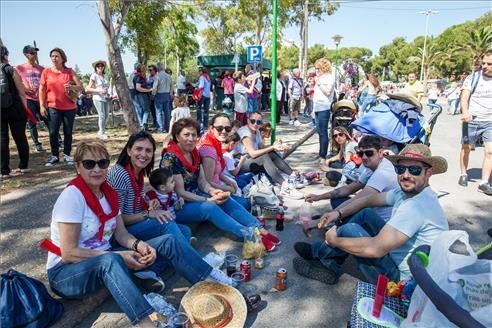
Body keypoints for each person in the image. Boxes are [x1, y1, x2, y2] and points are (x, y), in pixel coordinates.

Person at [44, 140, 233, 327]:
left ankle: (210, 284)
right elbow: (69, 253)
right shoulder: (72, 196)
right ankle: (148, 322)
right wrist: (118, 255)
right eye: (88, 164)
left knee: (168, 240)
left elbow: (121, 234)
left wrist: (138, 245)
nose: (96, 169)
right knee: (110, 261)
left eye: (102, 163)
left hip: (106, 257)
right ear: (78, 167)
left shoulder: (107, 193)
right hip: (66, 273)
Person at [293, 144, 449, 284]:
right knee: (365, 214)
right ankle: (321, 255)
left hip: (405, 282)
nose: (406, 175)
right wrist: (337, 213)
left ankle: (326, 263)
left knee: (350, 230)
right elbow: (367, 200)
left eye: (414, 170)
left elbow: (376, 249)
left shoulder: (417, 206)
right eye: (401, 169)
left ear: (428, 173)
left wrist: (334, 241)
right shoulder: (408, 193)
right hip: (401, 257)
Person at [160, 118, 280, 250]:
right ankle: (249, 235)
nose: (191, 139)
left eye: (194, 135)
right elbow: (180, 192)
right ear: (177, 136)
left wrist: (213, 191)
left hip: (195, 195)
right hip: (176, 205)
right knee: (210, 207)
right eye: (186, 135)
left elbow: (202, 182)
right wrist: (208, 199)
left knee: (224, 197)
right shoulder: (170, 158)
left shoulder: (194, 153)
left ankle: (258, 228)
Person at [305, 135, 399, 222]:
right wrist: (318, 197)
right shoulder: (371, 166)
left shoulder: (383, 173)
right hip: (371, 212)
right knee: (337, 199)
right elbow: (348, 189)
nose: (365, 157)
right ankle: (332, 222)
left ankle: (332, 224)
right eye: (361, 154)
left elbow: (359, 200)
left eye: (369, 153)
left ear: (380, 153)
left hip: (382, 224)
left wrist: (328, 217)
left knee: (349, 211)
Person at [39, 47, 83, 167]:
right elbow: (42, 89)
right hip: (53, 106)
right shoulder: (46, 72)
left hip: (69, 107)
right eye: (52, 56)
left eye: (56, 56)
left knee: (67, 132)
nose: (54, 58)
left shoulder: (69, 71)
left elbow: (80, 86)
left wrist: (72, 87)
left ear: (62, 58)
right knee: (53, 132)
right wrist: (42, 105)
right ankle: (54, 156)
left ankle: (67, 155)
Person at [198, 113, 251, 209]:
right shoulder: (209, 150)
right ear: (211, 128)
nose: (223, 131)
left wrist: (230, 183)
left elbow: (218, 172)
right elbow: (207, 183)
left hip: (219, 185)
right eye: (219, 128)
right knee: (246, 204)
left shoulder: (214, 142)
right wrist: (229, 188)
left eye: (227, 129)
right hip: (212, 194)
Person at [458, 52, 492, 195]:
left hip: (489, 121)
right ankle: (463, 173)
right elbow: (464, 96)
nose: (485, 66)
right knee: (466, 148)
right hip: (471, 120)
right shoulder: (473, 78)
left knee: (490, 151)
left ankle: (484, 182)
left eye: (489, 64)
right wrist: (465, 112)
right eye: (483, 63)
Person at [1, 45, 30, 178]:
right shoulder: (10, 69)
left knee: (2, 138)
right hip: (15, 108)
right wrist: (26, 109)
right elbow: (21, 92)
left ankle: (4, 170)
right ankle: (23, 166)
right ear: (5, 55)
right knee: (20, 137)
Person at [15, 45, 46, 152]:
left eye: (36, 52)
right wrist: (24, 89)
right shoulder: (19, 68)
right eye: (32, 53)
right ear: (26, 54)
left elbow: (46, 83)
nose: (35, 54)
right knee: (32, 122)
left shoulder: (42, 68)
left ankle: (57, 140)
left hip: (41, 98)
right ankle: (37, 143)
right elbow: (16, 82)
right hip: (28, 99)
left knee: (48, 119)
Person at [313, 58, 335, 169]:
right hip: (317, 107)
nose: (316, 70)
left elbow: (327, 91)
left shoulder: (329, 78)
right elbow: (316, 96)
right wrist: (313, 110)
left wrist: (319, 83)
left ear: (323, 68)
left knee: (323, 133)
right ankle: (321, 153)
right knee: (319, 132)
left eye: (318, 68)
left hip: (324, 107)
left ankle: (323, 156)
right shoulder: (320, 78)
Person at [85, 60, 110, 139]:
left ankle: (102, 129)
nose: (100, 67)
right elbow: (87, 89)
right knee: (102, 115)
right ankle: (101, 133)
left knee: (106, 115)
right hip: (97, 98)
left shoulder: (106, 76)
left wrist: (106, 90)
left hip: (105, 97)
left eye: (102, 66)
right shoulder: (94, 76)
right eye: (98, 66)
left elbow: (107, 86)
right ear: (95, 68)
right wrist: (99, 90)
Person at [152, 62, 173, 133]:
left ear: (158, 68)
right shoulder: (168, 76)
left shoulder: (157, 76)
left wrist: (153, 94)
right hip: (167, 94)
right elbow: (171, 86)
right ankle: (167, 127)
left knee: (159, 112)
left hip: (159, 95)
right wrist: (170, 94)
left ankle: (160, 128)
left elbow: (155, 87)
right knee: (167, 112)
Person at [133, 64, 152, 130]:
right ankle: (143, 125)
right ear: (142, 69)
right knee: (146, 110)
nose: (146, 70)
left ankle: (143, 125)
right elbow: (138, 87)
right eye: (144, 68)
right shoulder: (139, 77)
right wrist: (148, 90)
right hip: (142, 95)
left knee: (140, 110)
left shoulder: (137, 76)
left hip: (139, 95)